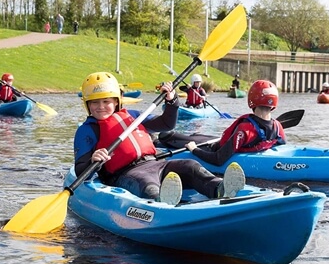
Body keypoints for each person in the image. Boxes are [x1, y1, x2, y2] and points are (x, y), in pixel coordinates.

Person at [74, 72, 245, 205]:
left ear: (116, 101)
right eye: (95, 103)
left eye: (106, 101)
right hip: (127, 174)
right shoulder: (88, 130)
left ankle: (220, 188)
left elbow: (166, 124)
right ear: (87, 105)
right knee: (147, 184)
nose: (101, 107)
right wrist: (93, 159)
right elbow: (80, 170)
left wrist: (172, 102)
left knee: (190, 166)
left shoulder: (132, 116)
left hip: (155, 163)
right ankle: (161, 204)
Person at [185, 80, 286, 166]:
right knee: (196, 136)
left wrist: (194, 150)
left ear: (252, 99)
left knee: (178, 138)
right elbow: (281, 146)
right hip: (220, 144)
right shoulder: (278, 127)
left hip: (216, 150)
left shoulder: (245, 130)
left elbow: (218, 160)